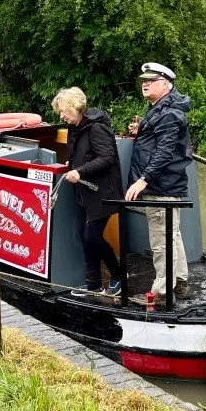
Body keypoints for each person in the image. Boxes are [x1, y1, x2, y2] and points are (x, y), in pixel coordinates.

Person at [125, 62, 192, 306]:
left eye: (151, 80)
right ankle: (181, 282)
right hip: (167, 183)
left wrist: (144, 180)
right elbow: (158, 140)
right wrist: (140, 131)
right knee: (171, 234)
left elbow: (164, 152)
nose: (145, 83)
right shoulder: (162, 109)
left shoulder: (169, 113)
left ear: (166, 84)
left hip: (162, 186)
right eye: (144, 80)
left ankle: (162, 292)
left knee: (162, 240)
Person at [52, 87, 124, 297]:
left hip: (103, 192)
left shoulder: (96, 128)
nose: (61, 115)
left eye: (63, 110)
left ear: (75, 107)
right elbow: (84, 153)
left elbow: (107, 157)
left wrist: (80, 170)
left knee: (91, 237)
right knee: (87, 239)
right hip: (85, 192)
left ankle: (118, 276)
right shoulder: (76, 127)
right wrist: (72, 162)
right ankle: (93, 284)